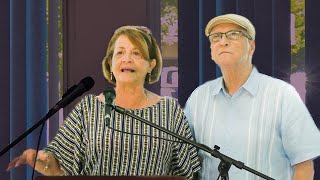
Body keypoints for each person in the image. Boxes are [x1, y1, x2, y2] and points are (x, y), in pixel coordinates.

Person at [7, 25, 201, 178]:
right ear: (110, 64)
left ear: (151, 64)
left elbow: (188, 172)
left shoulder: (169, 111)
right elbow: (58, 165)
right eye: (120, 53)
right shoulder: (89, 108)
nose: (127, 59)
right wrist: (39, 159)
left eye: (136, 53)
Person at [184, 14, 320, 180]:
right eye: (216, 37)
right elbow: (185, 161)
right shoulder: (198, 98)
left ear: (251, 46)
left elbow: (304, 167)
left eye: (233, 34)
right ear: (211, 50)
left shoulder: (282, 95)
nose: (223, 41)